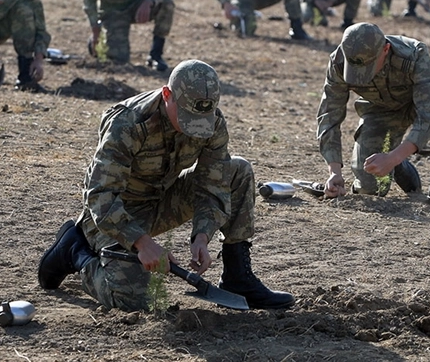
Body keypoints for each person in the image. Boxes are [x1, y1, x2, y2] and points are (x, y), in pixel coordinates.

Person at [37, 59, 295, 311]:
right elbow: (100, 195)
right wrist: (142, 242)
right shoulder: (128, 123)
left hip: (162, 199)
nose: (192, 129)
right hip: (114, 213)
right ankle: (75, 252)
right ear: (167, 94)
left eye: (200, 118)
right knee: (134, 298)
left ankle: (237, 277)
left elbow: (212, 183)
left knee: (237, 170)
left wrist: (202, 235)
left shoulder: (211, 121)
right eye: (186, 116)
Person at [317, 22, 430, 207]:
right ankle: (399, 165)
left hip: (419, 102)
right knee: (370, 189)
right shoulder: (338, 62)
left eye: (368, 67)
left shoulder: (413, 54)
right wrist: (334, 172)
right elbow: (329, 115)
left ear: (386, 49)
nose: (361, 75)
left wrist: (393, 157)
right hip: (379, 111)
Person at [0, 0, 51, 91]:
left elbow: (40, 27)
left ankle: (26, 77)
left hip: (5, 25)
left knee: (24, 11)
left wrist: (38, 59)